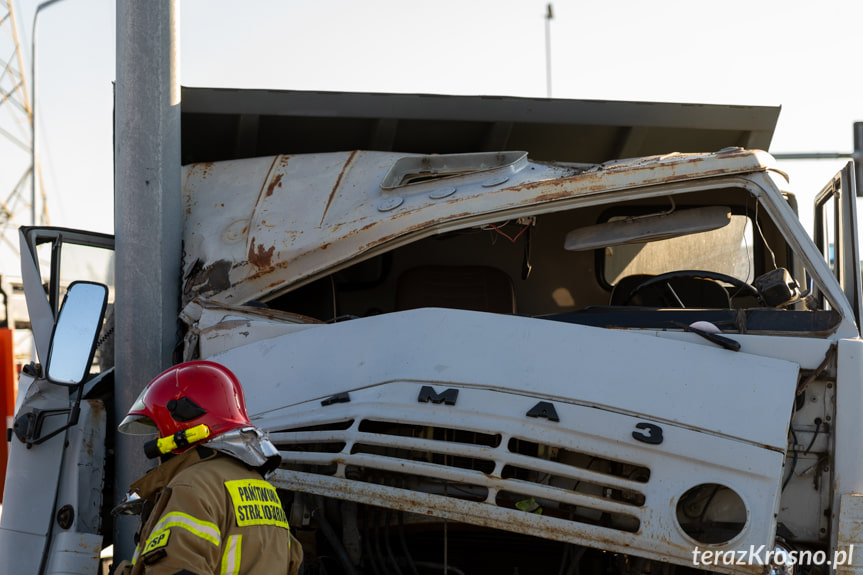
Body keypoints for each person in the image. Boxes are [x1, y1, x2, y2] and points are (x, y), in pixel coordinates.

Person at [112, 360, 303, 575]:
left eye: (159, 429)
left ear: (182, 431)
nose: (156, 439)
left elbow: (175, 569)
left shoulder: (191, 486)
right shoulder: (263, 489)